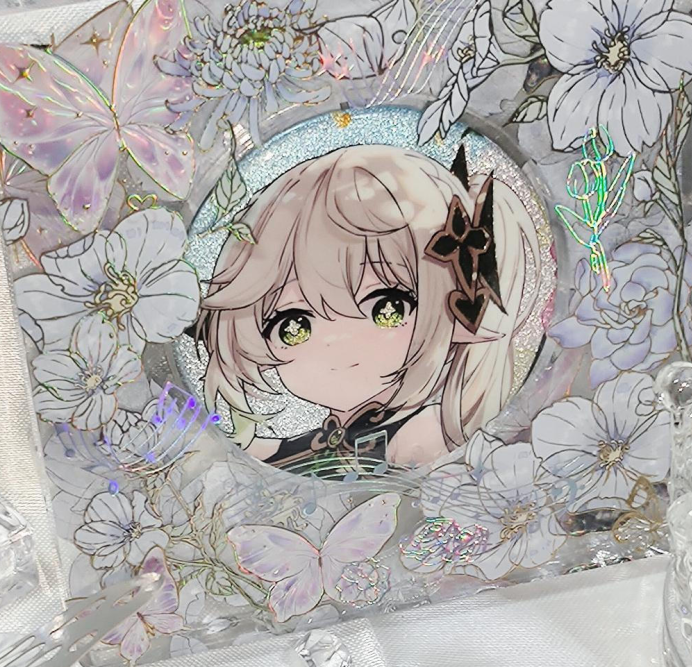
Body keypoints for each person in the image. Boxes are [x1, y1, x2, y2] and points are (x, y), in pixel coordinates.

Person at [196, 142, 541, 467]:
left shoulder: (420, 437)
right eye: (293, 325)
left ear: (458, 306)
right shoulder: (307, 447)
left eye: (387, 308)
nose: (335, 344)